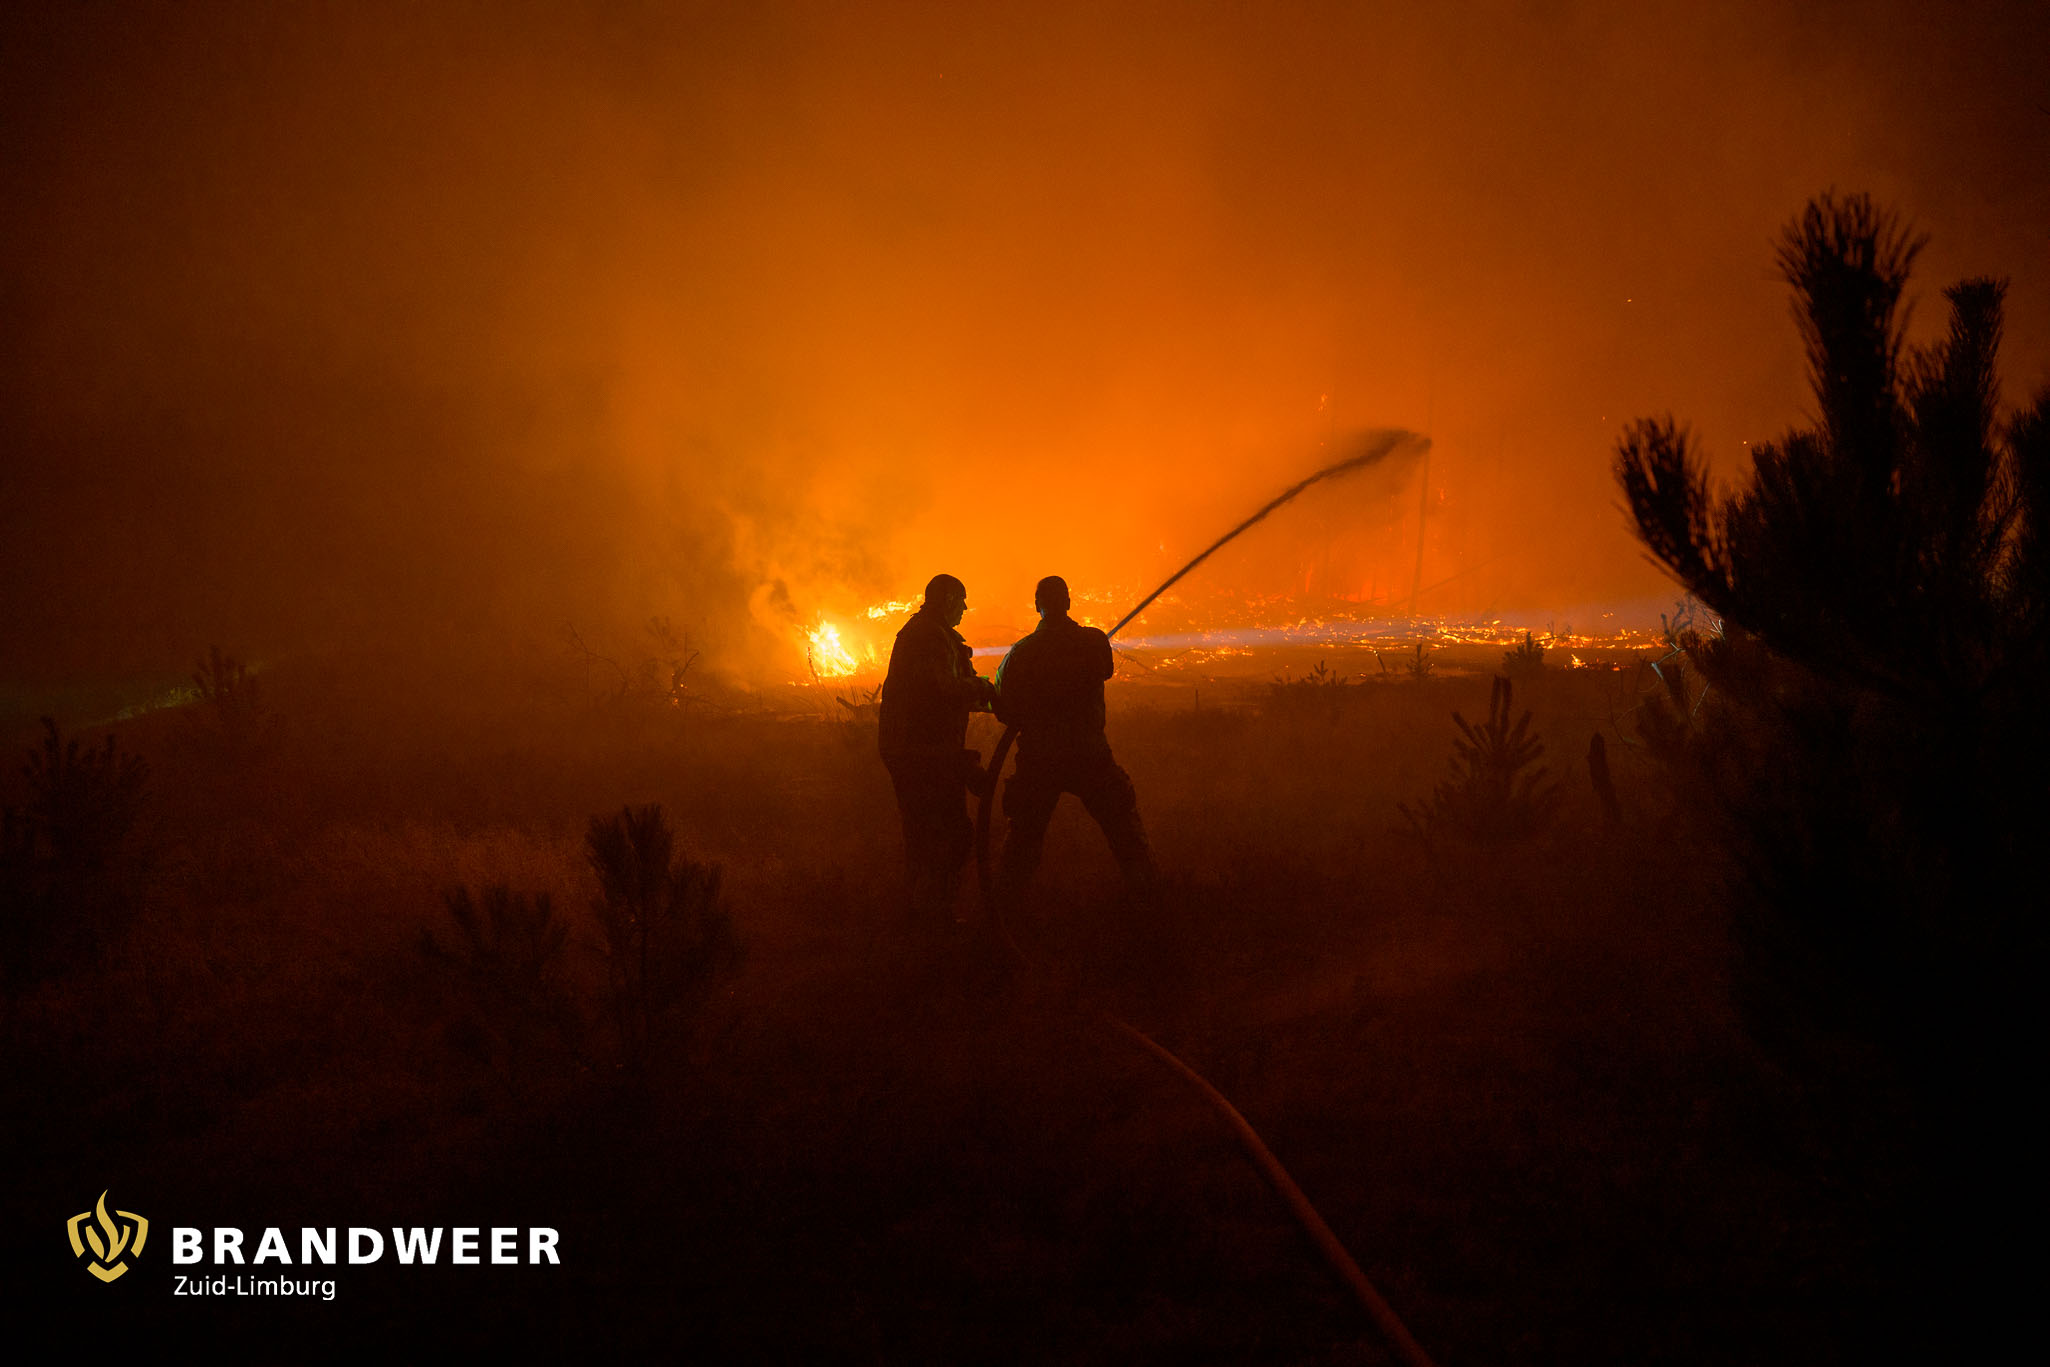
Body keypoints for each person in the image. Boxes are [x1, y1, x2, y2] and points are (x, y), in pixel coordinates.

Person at [992, 576, 1154, 905]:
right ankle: (1150, 900)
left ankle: (1006, 909)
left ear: (1037, 606)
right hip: (1089, 754)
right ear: (1067, 602)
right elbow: (1105, 669)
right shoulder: (1093, 641)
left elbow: (1004, 707)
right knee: (1123, 828)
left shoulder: (1022, 652)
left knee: (1024, 837)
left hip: (1039, 758)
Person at [878, 573, 996, 926]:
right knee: (947, 835)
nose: (965, 607)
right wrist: (984, 688)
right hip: (921, 754)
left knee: (927, 835)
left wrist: (989, 697)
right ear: (946, 600)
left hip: (923, 751)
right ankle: (934, 916)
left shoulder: (933, 635)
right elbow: (941, 690)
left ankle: (921, 913)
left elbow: (953, 690)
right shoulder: (928, 637)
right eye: (961, 599)